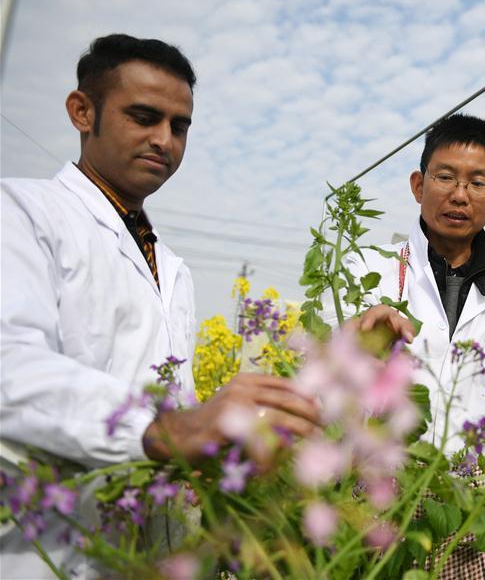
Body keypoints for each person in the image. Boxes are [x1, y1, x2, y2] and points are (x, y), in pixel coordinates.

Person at [0, 34, 319, 578]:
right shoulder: (22, 212)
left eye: (179, 126)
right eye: (143, 116)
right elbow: (10, 366)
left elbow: (177, 401)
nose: (163, 140)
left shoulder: (170, 265)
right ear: (82, 111)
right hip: (47, 550)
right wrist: (165, 430)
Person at [345, 113, 485, 455]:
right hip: (385, 490)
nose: (460, 195)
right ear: (419, 186)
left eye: (478, 183)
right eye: (446, 177)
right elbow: (322, 379)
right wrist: (353, 345)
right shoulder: (367, 270)